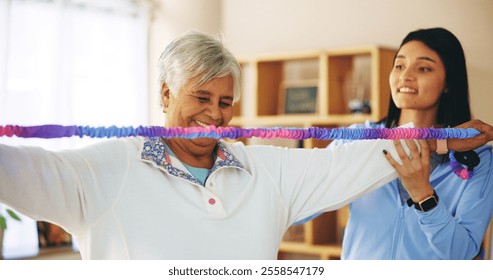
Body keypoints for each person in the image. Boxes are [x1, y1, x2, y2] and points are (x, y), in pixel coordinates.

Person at [0, 30, 492, 260]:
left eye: (226, 101)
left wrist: (444, 139)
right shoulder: (106, 168)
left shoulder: (265, 171)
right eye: (200, 97)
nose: (214, 114)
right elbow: (21, 171)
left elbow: (353, 161)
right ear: (165, 94)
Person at [333, 27, 493, 260]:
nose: (405, 76)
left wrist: (423, 195)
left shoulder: (479, 159)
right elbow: (302, 203)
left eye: (424, 67)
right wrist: (438, 143)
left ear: (448, 82)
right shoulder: (358, 137)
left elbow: (462, 253)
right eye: (399, 65)